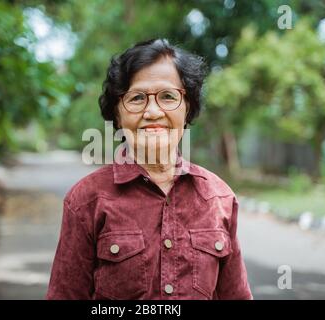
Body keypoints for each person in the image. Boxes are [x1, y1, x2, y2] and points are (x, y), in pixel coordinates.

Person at [46, 39, 253, 300]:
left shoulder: (219, 198)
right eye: (137, 98)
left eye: (168, 96)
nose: (153, 112)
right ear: (117, 115)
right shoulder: (86, 200)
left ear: (187, 107)